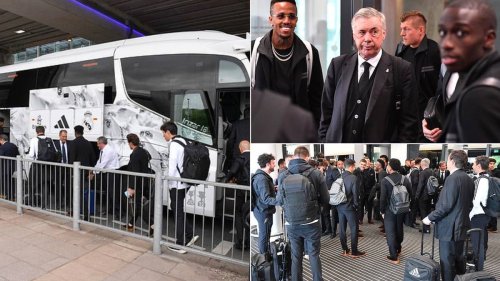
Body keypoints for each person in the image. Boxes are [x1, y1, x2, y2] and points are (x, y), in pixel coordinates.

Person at [319, 7, 418, 143]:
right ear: (354, 35)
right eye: (362, 32)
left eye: (374, 32)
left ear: (384, 34)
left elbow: (409, 124)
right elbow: (326, 113)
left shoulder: (401, 68)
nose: (367, 39)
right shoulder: (338, 65)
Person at [423, 0, 500, 142]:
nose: (446, 43)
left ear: (488, 38)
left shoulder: (487, 93)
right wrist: (430, 123)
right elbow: (440, 99)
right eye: (443, 32)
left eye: (460, 33)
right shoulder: (452, 66)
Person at [252, 0, 324, 131]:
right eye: (280, 16)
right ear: (271, 20)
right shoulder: (254, 50)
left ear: (296, 20)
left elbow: (317, 101)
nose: (286, 21)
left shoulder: (309, 52)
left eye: (291, 16)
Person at [277, 146, 329, 281]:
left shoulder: (283, 174)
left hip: (292, 222)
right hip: (311, 221)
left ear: (294, 157)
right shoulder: (316, 173)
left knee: (296, 256)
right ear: (307, 157)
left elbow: (279, 200)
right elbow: (326, 199)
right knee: (313, 254)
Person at [422, 150, 474, 281]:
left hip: (449, 227)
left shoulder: (452, 178)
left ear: (452, 161)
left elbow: (446, 206)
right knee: (458, 258)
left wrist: (429, 218)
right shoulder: (469, 179)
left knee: (447, 261)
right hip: (461, 224)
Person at [396, 10, 441, 141]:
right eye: (401, 29)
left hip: (428, 120)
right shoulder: (401, 51)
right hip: (406, 119)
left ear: (420, 30)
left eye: (406, 29)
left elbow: (441, 90)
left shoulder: (435, 51)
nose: (402, 33)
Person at [160, 122, 199, 251]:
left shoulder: (174, 144)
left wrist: (167, 180)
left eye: (163, 133)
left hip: (177, 183)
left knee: (178, 212)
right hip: (185, 182)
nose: (163, 136)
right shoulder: (184, 141)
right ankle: (189, 234)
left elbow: (172, 166)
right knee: (177, 209)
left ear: (168, 132)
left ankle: (181, 243)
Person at [380, 158, 411, 264]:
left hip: (390, 210)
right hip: (402, 209)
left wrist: (382, 211)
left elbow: (382, 198)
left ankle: (394, 256)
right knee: (399, 229)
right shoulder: (405, 179)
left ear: (390, 167)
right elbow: (410, 194)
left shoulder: (385, 180)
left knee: (390, 232)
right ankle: (398, 248)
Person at [124, 133, 155, 236]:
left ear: (131, 143)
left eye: (128, 142)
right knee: (137, 205)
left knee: (138, 206)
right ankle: (131, 223)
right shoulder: (143, 151)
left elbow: (135, 172)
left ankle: (152, 225)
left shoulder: (135, 154)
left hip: (138, 183)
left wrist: (132, 187)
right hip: (143, 181)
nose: (128, 144)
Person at [337, 158, 366, 258]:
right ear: (351, 167)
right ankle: (354, 251)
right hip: (350, 207)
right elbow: (356, 195)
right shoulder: (353, 178)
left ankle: (345, 250)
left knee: (342, 228)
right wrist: (357, 206)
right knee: (354, 228)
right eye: (354, 166)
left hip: (340, 206)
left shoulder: (339, 176)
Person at [225, 140, 250, 250]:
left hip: (242, 191)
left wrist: (227, 180)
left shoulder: (240, 159)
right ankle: (249, 242)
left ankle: (241, 242)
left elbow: (232, 171)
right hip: (252, 191)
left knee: (239, 214)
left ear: (241, 149)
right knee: (250, 215)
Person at [252, 153, 278, 255]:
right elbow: (266, 199)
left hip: (262, 210)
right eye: (273, 163)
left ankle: (265, 256)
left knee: (265, 234)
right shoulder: (262, 179)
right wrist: (280, 200)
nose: (274, 165)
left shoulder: (262, 177)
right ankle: (264, 258)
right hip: (263, 211)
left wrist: (274, 188)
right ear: (268, 164)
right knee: (264, 235)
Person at [470, 155, 491, 271]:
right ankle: (478, 264)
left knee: (478, 243)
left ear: (478, 165)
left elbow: (476, 201)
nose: (472, 166)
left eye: (473, 164)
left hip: (478, 215)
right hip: (484, 214)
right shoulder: (488, 178)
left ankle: (478, 268)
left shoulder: (481, 180)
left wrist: (469, 215)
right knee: (481, 241)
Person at [90, 136, 120, 217]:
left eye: (98, 144)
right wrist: (93, 170)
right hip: (107, 173)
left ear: (101, 143)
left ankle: (118, 213)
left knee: (113, 193)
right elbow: (99, 162)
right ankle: (110, 210)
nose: (97, 146)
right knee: (108, 192)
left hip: (112, 173)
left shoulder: (108, 151)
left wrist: (93, 172)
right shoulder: (103, 150)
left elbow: (103, 164)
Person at [53, 130, 72, 212]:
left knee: (68, 186)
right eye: (63, 136)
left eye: (66, 136)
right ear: (59, 136)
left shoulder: (70, 144)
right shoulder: (55, 144)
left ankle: (68, 203)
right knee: (58, 186)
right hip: (59, 168)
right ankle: (58, 203)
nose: (65, 138)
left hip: (67, 168)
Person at [416, 158, 433, 233]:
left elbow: (420, 185)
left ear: (422, 164)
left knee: (423, 212)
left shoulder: (423, 173)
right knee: (428, 211)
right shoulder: (432, 171)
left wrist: (417, 195)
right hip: (430, 195)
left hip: (423, 195)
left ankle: (426, 228)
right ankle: (428, 226)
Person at [0, 134, 19, 200]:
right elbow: (18, 154)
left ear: (2, 139)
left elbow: (1, 156)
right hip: (13, 166)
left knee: (5, 181)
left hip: (4, 167)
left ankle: (8, 195)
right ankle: (12, 196)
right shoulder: (13, 145)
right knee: (11, 181)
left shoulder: (2, 147)